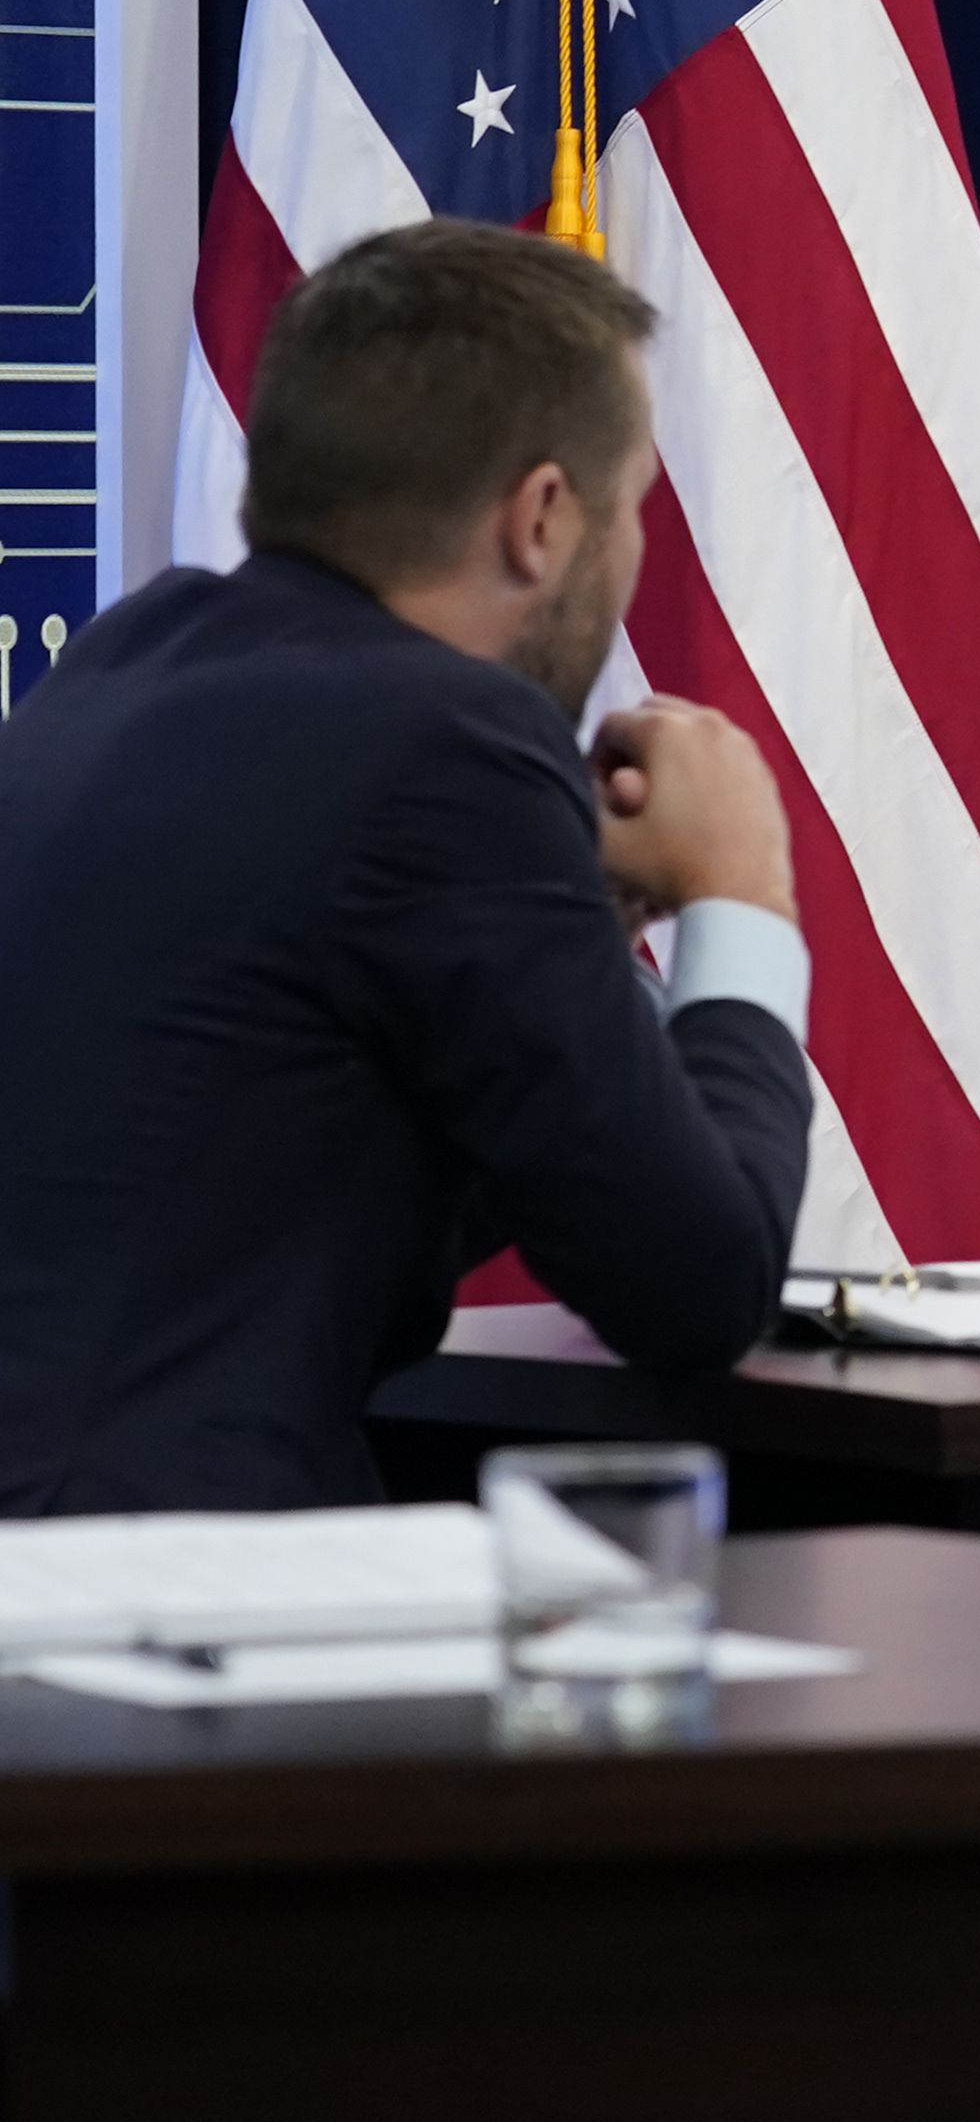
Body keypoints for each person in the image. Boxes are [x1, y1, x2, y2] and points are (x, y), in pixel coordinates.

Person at [0, 222, 813, 1513]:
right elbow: (694, 1284)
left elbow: (291, 1159)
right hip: (150, 1609)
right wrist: (741, 898)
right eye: (632, 505)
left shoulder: (122, 664)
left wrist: (573, 933)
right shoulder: (451, 744)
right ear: (543, 516)